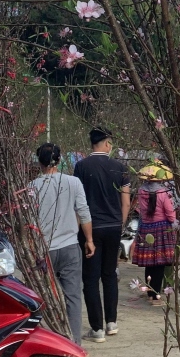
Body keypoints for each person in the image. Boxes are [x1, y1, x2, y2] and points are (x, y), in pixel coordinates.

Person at [29, 143, 95, 346]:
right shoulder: (73, 182)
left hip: (43, 250)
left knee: (38, 299)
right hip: (69, 247)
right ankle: (74, 343)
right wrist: (90, 240)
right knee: (73, 297)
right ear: (59, 161)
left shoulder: (31, 187)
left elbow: (28, 222)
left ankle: (40, 341)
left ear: (39, 161)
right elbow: (83, 212)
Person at [73, 126, 131, 342]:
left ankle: (96, 328)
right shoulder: (120, 167)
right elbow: (125, 201)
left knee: (90, 278)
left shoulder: (81, 166)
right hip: (113, 227)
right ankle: (112, 323)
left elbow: (78, 202)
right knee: (110, 275)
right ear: (107, 143)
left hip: (91, 227)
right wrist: (120, 224)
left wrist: (80, 229)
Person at [132, 164, 176, 306]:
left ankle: (150, 294)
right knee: (160, 264)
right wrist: (174, 222)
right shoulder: (163, 193)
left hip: (146, 228)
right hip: (162, 229)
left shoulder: (140, 191)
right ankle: (156, 297)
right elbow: (169, 213)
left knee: (149, 263)